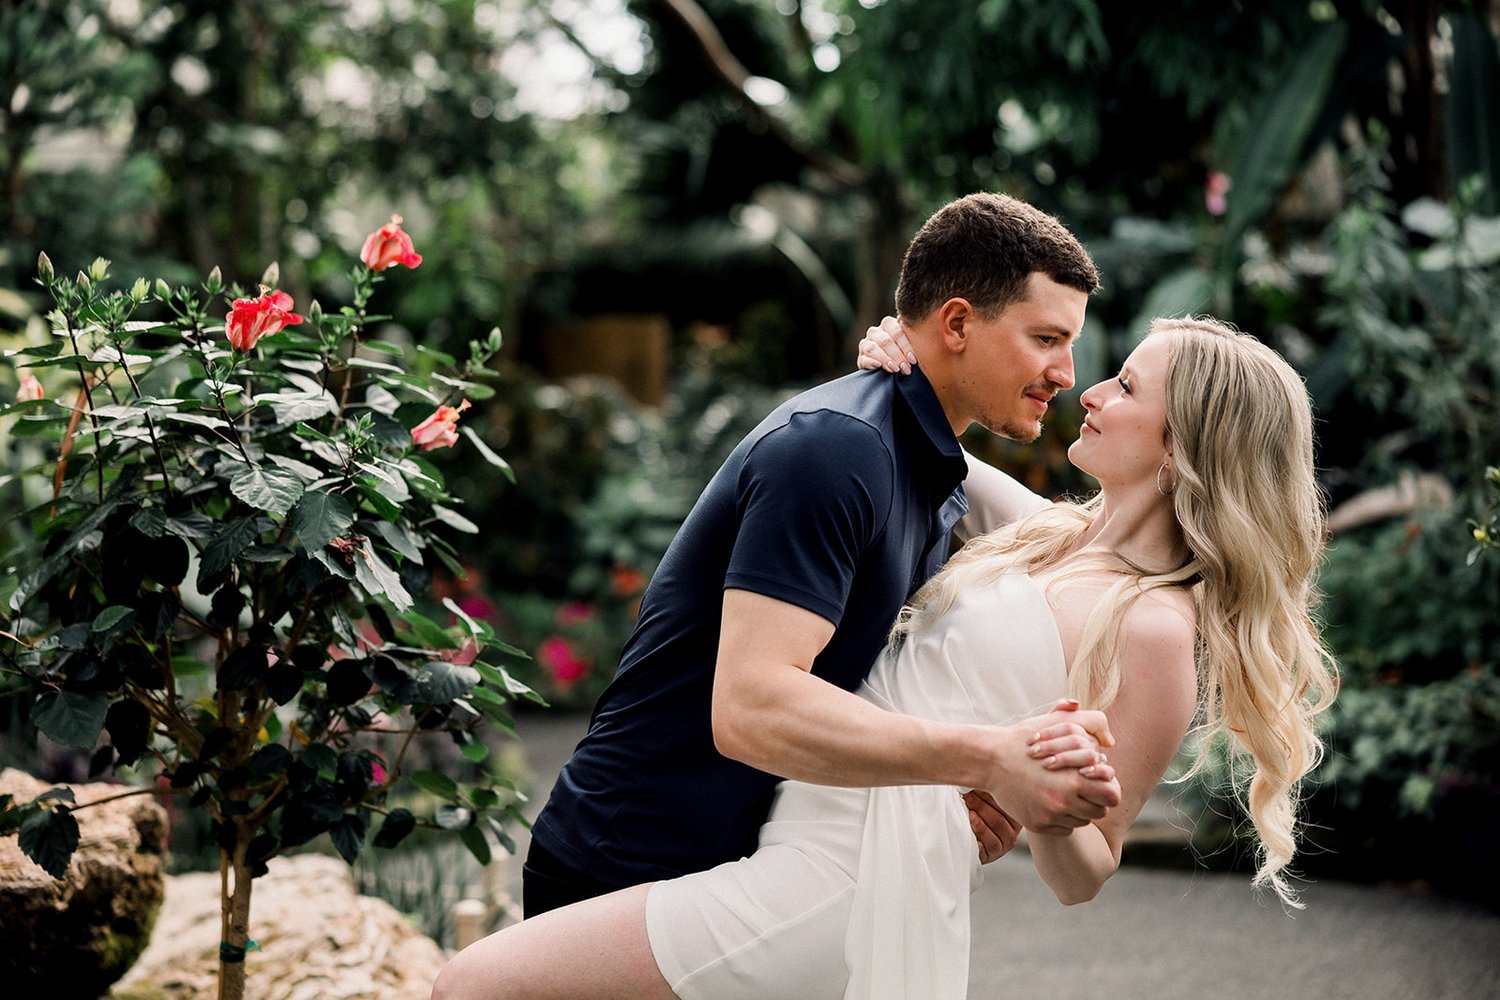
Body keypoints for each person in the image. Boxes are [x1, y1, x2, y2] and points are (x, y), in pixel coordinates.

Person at [432, 315, 1337, 1000]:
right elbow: (924, 429)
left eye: (1129, 387)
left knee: (473, 986)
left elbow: (1085, 876)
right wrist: (901, 349)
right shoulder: (1046, 533)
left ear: (1183, 451)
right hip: (780, 832)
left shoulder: (1156, 633)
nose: (1090, 391)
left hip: (835, 884)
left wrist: (1046, 805)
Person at [516, 191, 1114, 923]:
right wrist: (988, 757)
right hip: (628, 865)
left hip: (754, 879)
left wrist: (939, 796)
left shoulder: (929, 473)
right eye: (1047, 339)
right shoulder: (837, 448)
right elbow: (752, 707)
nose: (1066, 372)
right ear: (957, 322)